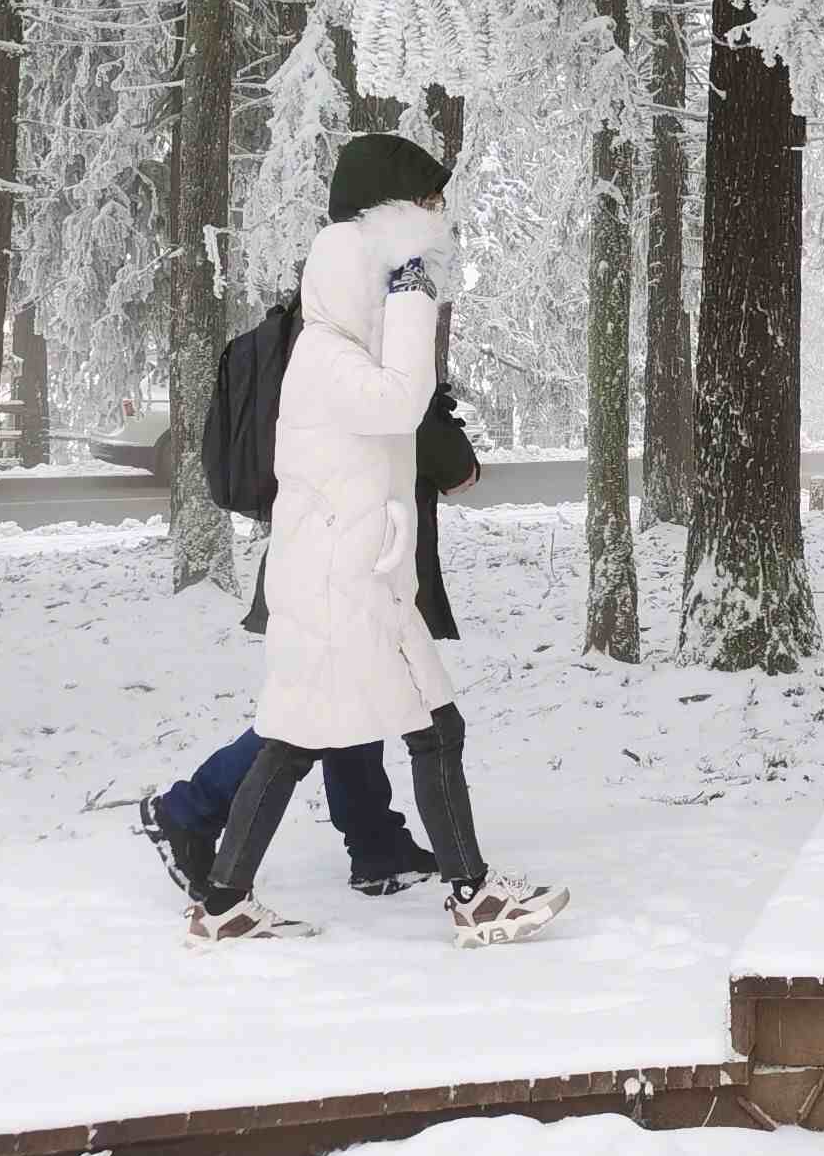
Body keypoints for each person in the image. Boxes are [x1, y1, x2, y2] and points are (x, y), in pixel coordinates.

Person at [187, 134, 566, 950]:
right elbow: (401, 403)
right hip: (336, 584)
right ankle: (465, 895)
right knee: (319, 739)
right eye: (399, 260)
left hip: (362, 576)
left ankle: (227, 901)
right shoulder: (324, 359)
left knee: (363, 735)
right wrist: (412, 294)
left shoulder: (337, 351)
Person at [137, 378, 482, 902]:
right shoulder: (365, 365)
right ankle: (188, 811)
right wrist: (433, 405)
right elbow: (457, 469)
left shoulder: (297, 351)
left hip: (310, 567)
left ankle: (375, 846)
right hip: (354, 577)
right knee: (305, 721)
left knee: (349, 705)